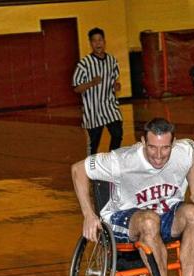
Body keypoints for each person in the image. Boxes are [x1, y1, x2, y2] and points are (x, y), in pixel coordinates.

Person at [71, 117, 194, 276]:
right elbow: (78, 169)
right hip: (124, 217)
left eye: (165, 148)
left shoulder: (183, 151)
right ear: (143, 142)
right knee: (149, 221)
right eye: (152, 147)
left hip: (165, 213)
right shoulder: (123, 160)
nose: (159, 155)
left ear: (173, 143)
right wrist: (88, 214)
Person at [72, 27, 124, 211]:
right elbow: (77, 88)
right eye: (94, 41)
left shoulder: (111, 61)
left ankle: (112, 164)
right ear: (91, 43)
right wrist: (91, 83)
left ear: (104, 41)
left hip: (109, 107)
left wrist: (116, 85)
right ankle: (91, 172)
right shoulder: (84, 64)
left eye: (100, 40)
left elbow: (114, 80)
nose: (98, 43)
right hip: (93, 110)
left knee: (117, 133)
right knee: (93, 145)